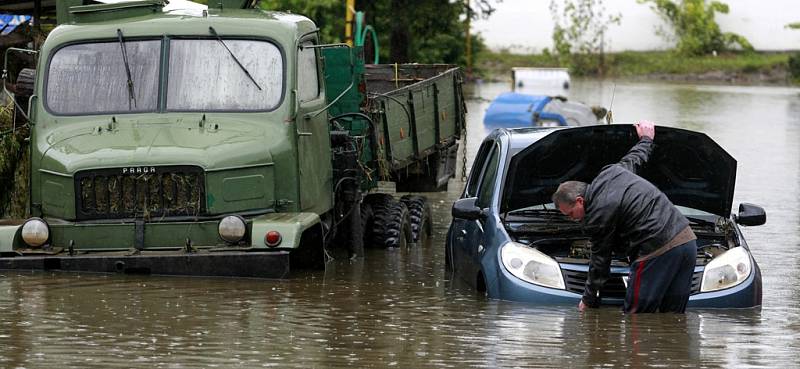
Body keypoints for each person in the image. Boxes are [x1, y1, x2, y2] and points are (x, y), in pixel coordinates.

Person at [551, 121, 697, 313]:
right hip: (687, 242)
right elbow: (635, 158)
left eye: (570, 214)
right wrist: (646, 139)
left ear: (579, 200)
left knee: (636, 316)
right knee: (673, 317)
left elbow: (600, 262)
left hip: (656, 249)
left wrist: (588, 300)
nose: (572, 219)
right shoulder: (611, 173)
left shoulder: (597, 214)